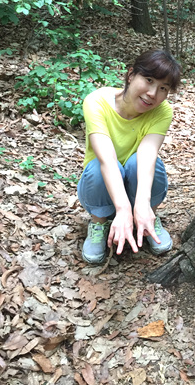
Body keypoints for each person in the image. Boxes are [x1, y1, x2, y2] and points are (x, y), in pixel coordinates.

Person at [77, 49, 181, 264]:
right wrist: (123, 209)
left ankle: (148, 217)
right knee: (98, 166)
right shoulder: (97, 102)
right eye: (149, 80)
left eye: (163, 88)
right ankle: (99, 223)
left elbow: (147, 154)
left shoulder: (162, 111)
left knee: (144, 162)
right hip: (100, 187)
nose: (153, 93)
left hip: (137, 185)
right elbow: (106, 159)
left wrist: (142, 203)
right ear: (131, 75)